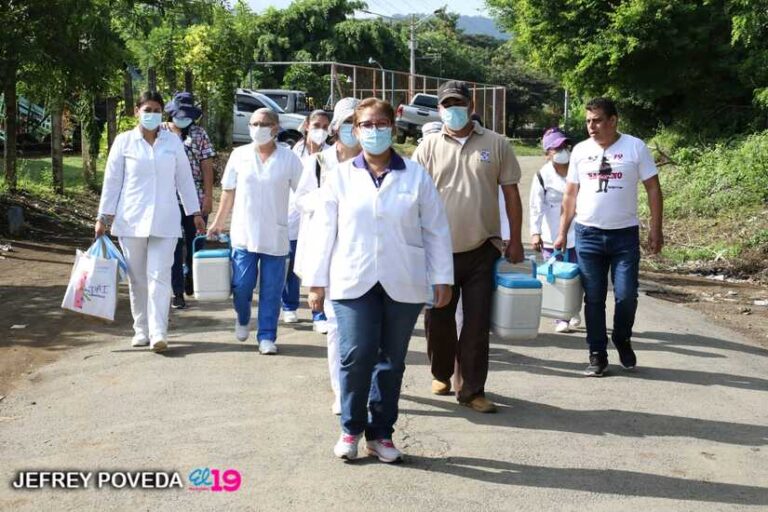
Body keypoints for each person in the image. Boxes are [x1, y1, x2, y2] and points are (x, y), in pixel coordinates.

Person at [302, 98, 454, 462]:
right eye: (366, 125)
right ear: (355, 131)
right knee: (356, 354)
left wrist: (442, 277)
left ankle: (381, 434)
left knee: (391, 361)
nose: (374, 131)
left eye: (381, 123)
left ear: (393, 128)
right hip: (351, 278)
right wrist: (316, 282)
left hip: (402, 278)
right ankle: (351, 428)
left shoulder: (416, 175)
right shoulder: (339, 176)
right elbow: (324, 231)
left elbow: (435, 230)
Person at [412, 80, 525, 413]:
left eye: (458, 103)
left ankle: (472, 389)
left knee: (477, 324)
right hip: (438, 251)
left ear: (471, 104)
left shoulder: (496, 143)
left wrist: (515, 239)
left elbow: (511, 193)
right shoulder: (428, 146)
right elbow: (411, 197)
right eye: (447, 105)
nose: (453, 110)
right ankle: (442, 372)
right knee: (439, 321)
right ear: (439, 109)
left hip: (481, 248)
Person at [554, 97, 664, 377]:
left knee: (626, 296)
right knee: (593, 298)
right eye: (588, 121)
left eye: (598, 120)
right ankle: (597, 354)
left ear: (613, 121)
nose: (592, 126)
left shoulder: (634, 147)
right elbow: (570, 194)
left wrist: (655, 228)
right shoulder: (580, 151)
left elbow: (653, 188)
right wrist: (562, 231)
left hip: (624, 236)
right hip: (588, 234)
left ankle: (622, 337)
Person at [95, 91, 204, 353]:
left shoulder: (172, 142)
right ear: (136, 111)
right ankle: (141, 329)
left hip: (165, 220)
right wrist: (103, 217)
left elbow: (184, 180)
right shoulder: (124, 142)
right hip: (131, 219)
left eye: (156, 110)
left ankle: (159, 332)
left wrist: (195, 212)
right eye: (147, 109)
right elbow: (112, 182)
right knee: (137, 278)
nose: (152, 114)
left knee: (159, 276)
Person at [207, 108, 303, 355]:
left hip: (276, 234)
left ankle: (267, 336)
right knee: (242, 285)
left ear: (275, 128)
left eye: (264, 123)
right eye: (254, 123)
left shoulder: (289, 158)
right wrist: (218, 222)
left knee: (272, 289)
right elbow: (228, 192)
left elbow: (303, 194)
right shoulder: (239, 155)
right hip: (243, 233)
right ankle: (242, 317)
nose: (258, 128)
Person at [294, 97, 361, 415]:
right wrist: (330, 197)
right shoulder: (319, 162)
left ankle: (365, 385)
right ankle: (342, 389)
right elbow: (301, 200)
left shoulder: (376, 160)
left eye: (356, 123)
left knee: (368, 329)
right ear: (336, 127)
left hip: (364, 252)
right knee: (336, 326)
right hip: (328, 252)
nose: (350, 129)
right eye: (345, 123)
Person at [161, 92, 215, 310]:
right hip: (168, 197)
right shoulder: (162, 132)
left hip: (196, 196)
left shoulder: (199, 133)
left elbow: (206, 165)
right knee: (173, 245)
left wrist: (208, 197)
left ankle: (192, 275)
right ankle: (177, 291)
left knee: (195, 241)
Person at [282, 110, 332, 331]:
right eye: (316, 125)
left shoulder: (332, 155)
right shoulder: (293, 153)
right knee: (293, 261)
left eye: (324, 126)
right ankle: (289, 305)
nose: (320, 130)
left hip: (321, 217)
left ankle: (319, 314)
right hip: (293, 214)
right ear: (306, 126)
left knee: (319, 262)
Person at [529, 127, 581, 333]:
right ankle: (561, 317)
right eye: (556, 148)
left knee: (579, 276)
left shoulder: (578, 170)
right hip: (552, 236)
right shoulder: (542, 176)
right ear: (547, 153)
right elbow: (536, 206)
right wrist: (535, 232)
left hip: (578, 234)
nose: (562, 150)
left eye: (564, 146)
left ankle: (573, 308)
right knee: (557, 277)